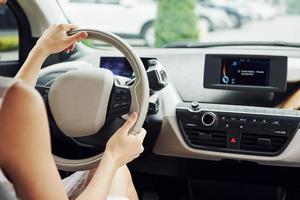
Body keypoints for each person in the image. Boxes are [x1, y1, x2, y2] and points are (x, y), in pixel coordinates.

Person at [0, 1, 146, 199]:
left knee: (111, 173)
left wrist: (40, 51)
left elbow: (7, 110)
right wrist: (114, 156)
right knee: (116, 170)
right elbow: (13, 106)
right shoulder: (21, 103)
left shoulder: (13, 102)